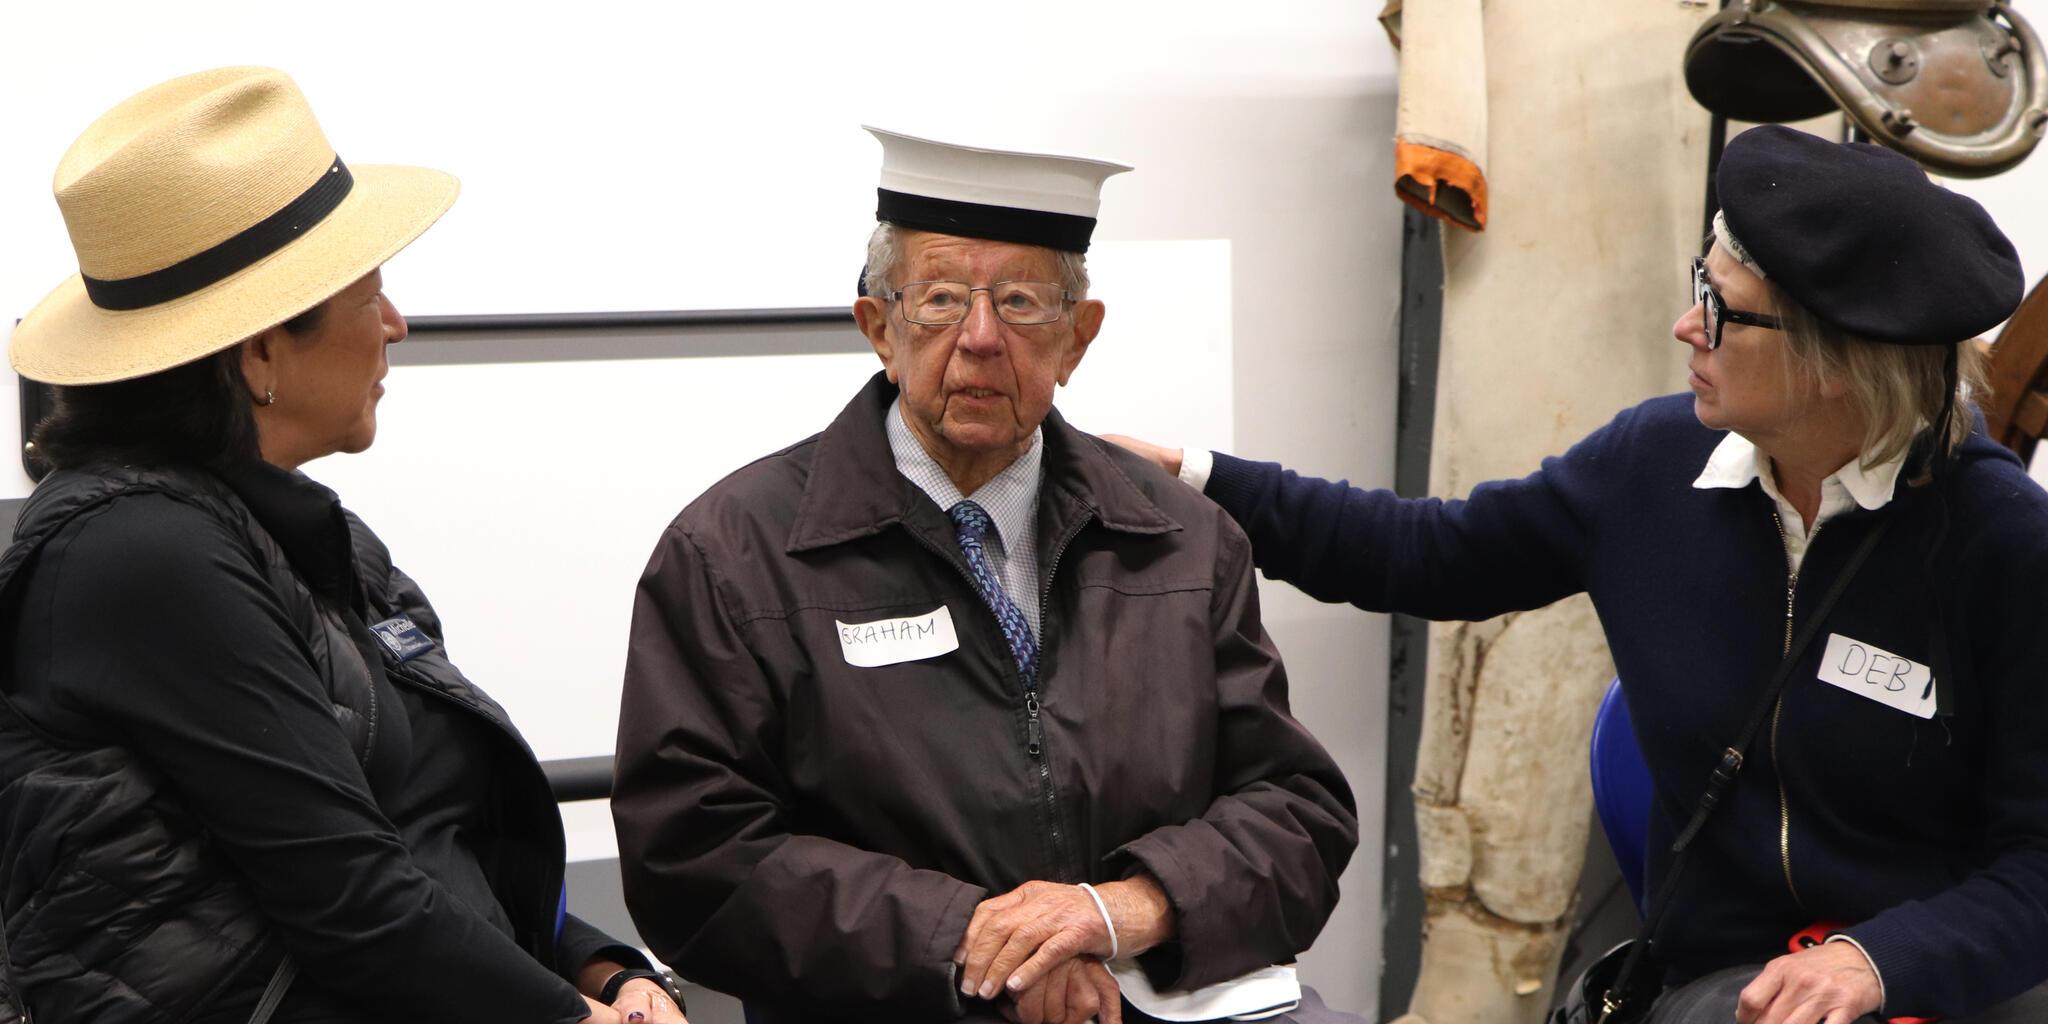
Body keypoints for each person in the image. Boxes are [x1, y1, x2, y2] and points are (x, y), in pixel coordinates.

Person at [1108, 124, 2048, 1024]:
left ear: (1833, 359)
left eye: (1719, 306)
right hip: (1728, 984)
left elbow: (2037, 870)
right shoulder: (1650, 465)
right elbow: (1424, 553)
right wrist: (1194, 479)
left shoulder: (2003, 543)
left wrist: (1878, 962)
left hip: (1950, 976)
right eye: (1698, 283)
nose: (1686, 325)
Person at [612, 127, 1362, 1024]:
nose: (979, 338)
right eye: (937, 300)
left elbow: (1297, 813)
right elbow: (693, 859)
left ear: (1078, 339)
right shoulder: (734, 554)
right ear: (877, 328)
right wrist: (979, 942)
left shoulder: (1182, 540)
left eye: (1020, 302)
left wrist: (1119, 912)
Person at [0, 68, 685, 1024]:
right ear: (261, 354)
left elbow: (432, 829)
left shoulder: (295, 535)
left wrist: (603, 967)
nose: (397, 325)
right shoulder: (144, 556)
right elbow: (350, 898)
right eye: (371, 295)